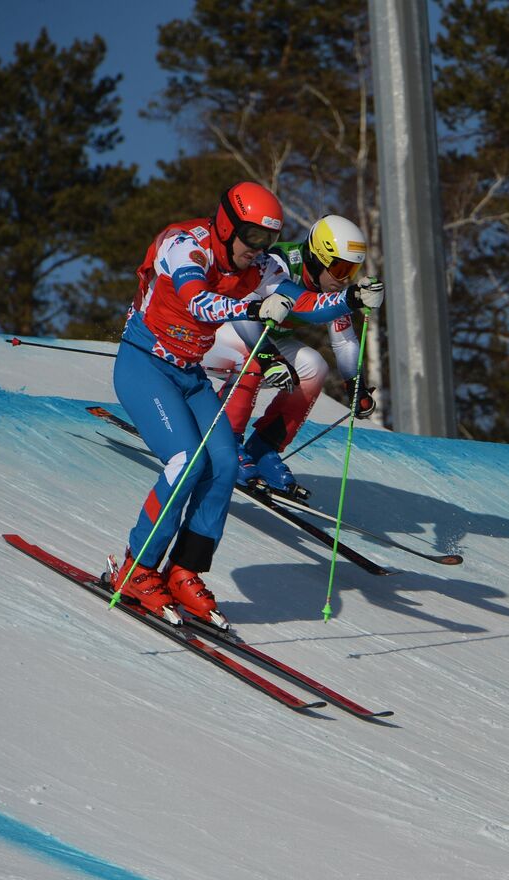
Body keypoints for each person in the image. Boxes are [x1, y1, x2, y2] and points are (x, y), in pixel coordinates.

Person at [110, 181, 293, 624]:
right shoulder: (185, 246)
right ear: (229, 226)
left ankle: (183, 570)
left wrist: (347, 299)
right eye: (253, 237)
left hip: (189, 377)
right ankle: (136, 569)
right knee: (185, 462)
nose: (260, 248)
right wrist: (252, 310)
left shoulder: (258, 266)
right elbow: (198, 301)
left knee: (225, 464)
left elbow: (302, 297)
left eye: (268, 240)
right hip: (145, 366)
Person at [205, 214, 384, 498]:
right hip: (216, 333)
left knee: (314, 367)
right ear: (316, 257)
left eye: (352, 271)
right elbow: (241, 312)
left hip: (263, 342)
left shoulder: (330, 288)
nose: (343, 279)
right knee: (252, 356)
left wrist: (354, 385)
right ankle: (223, 445)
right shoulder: (279, 263)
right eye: (338, 268)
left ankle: (263, 449)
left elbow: (344, 338)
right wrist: (267, 358)